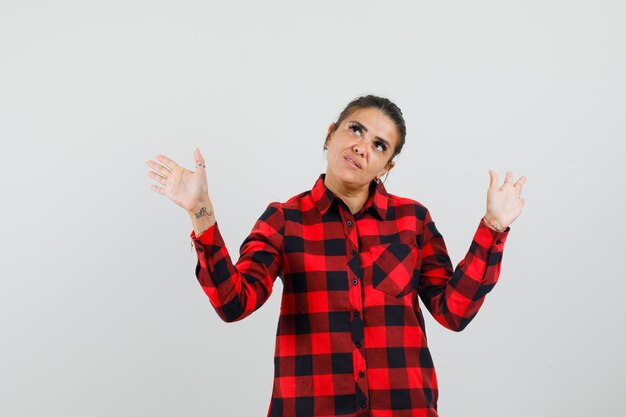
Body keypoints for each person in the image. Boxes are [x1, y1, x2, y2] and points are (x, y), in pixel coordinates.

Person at [146, 95, 527, 417]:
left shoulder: (413, 220)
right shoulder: (284, 219)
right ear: (330, 135)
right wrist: (201, 212)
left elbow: (453, 311)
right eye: (356, 130)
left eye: (380, 145)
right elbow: (234, 303)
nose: (363, 147)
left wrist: (493, 226)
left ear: (387, 166)